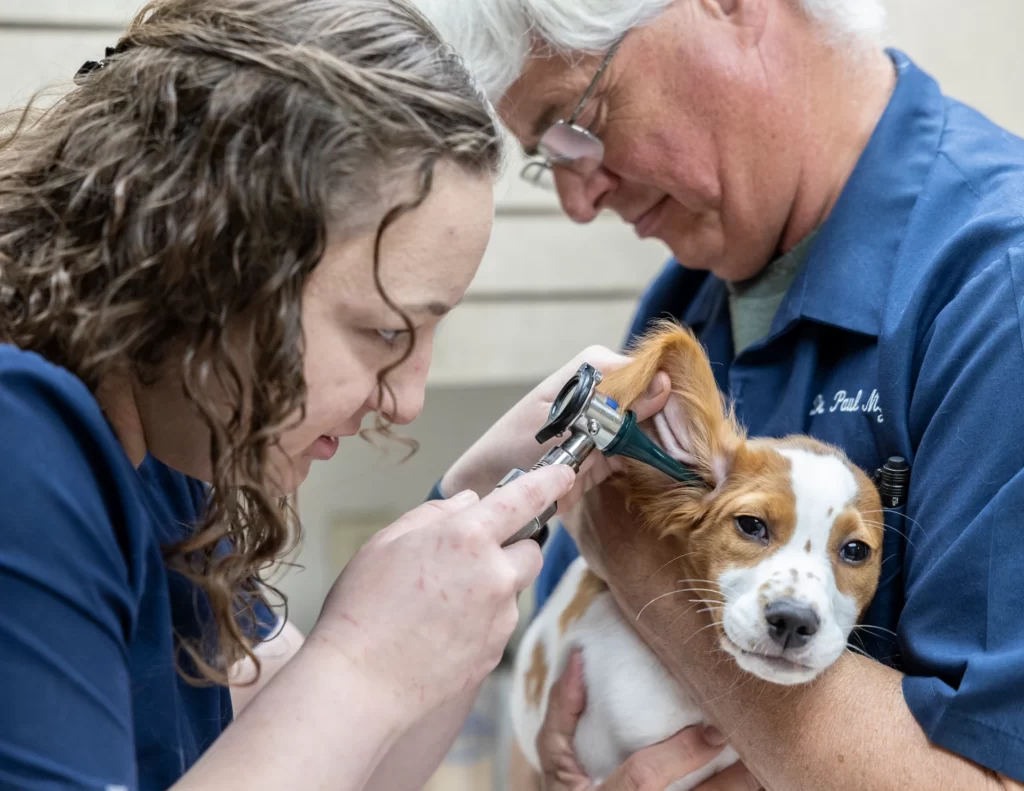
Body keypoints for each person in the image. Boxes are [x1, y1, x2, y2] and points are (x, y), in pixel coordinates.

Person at [0, 1, 678, 789]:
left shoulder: (179, 457)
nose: (406, 402)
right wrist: (363, 661)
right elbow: (336, 710)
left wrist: (481, 498)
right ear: (215, 260)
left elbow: (347, 765)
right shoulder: (23, 446)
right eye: (387, 332)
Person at [412, 0, 1024, 788]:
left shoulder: (996, 292)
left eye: (580, 121)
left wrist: (634, 550)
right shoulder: (694, 299)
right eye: (549, 155)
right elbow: (554, 681)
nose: (578, 201)